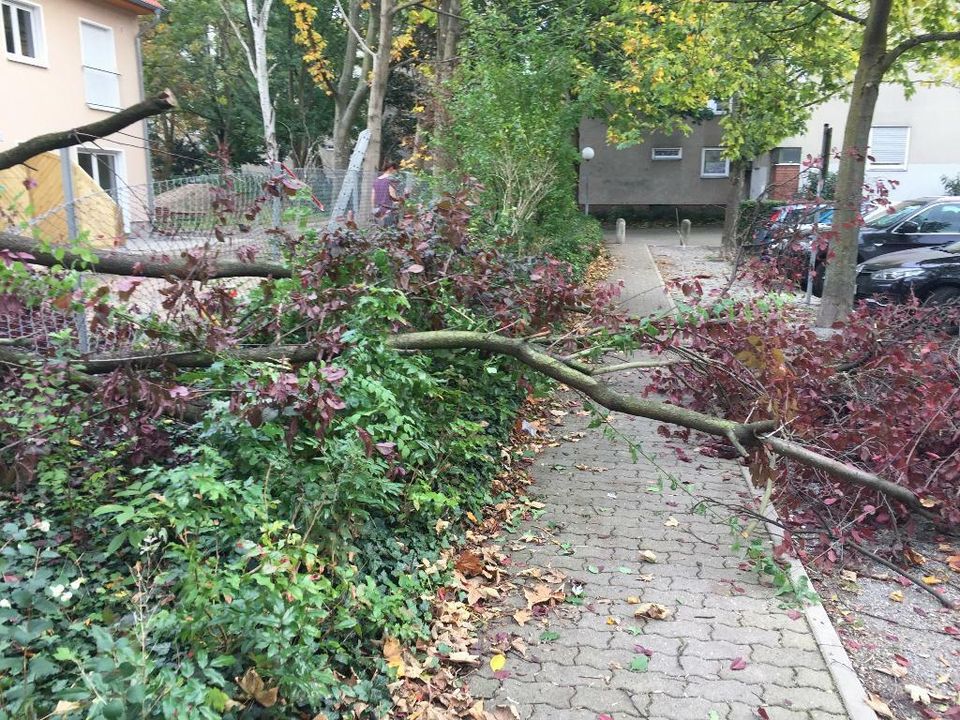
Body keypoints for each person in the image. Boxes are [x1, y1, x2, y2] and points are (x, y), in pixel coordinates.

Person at [371, 161, 401, 226]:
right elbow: (392, 195)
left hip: (378, 209)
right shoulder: (390, 179)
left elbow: (373, 197)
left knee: (380, 231)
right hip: (388, 209)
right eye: (395, 170)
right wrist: (400, 200)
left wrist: (373, 208)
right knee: (390, 231)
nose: (395, 172)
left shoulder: (376, 180)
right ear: (391, 168)